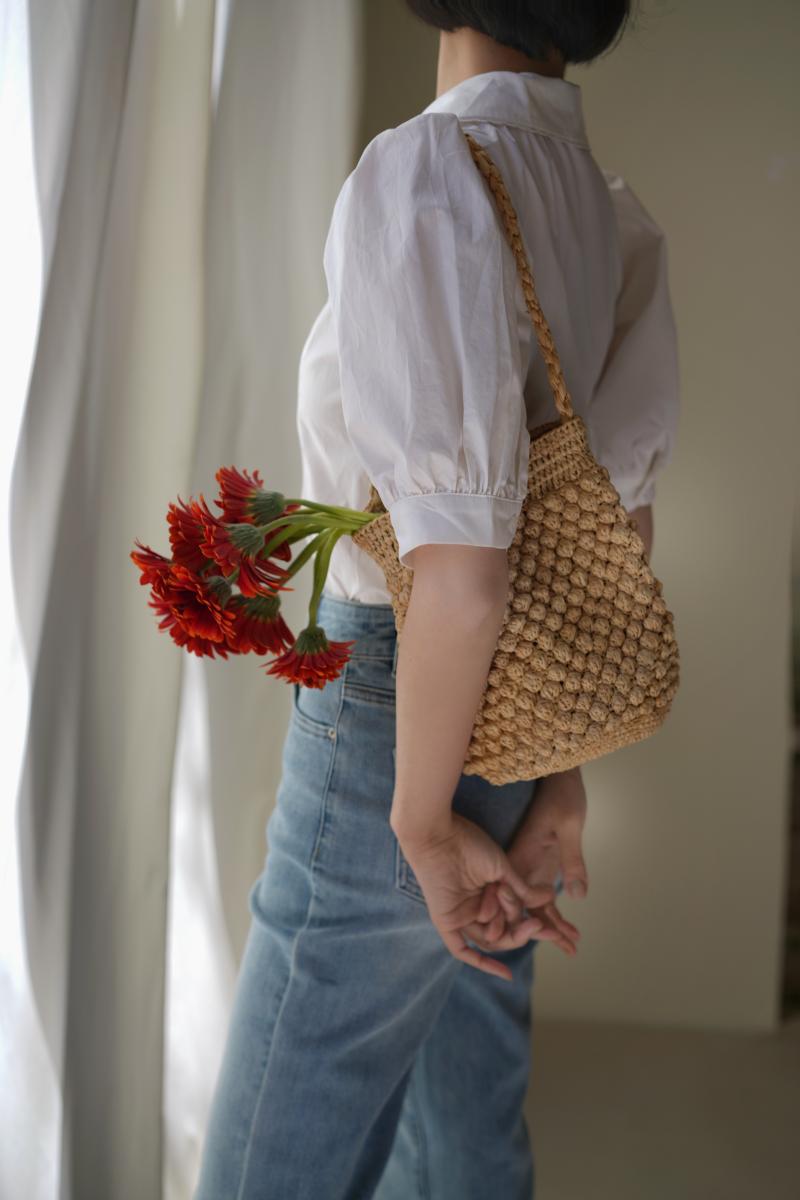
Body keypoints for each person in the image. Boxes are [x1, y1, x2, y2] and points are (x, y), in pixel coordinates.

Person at [194, 2, 679, 1197]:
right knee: (462, 1120)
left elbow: (460, 577)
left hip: (396, 717)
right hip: (520, 710)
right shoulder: (606, 213)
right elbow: (614, 531)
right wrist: (554, 773)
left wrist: (417, 823)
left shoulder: (423, 172)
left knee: (279, 1150)